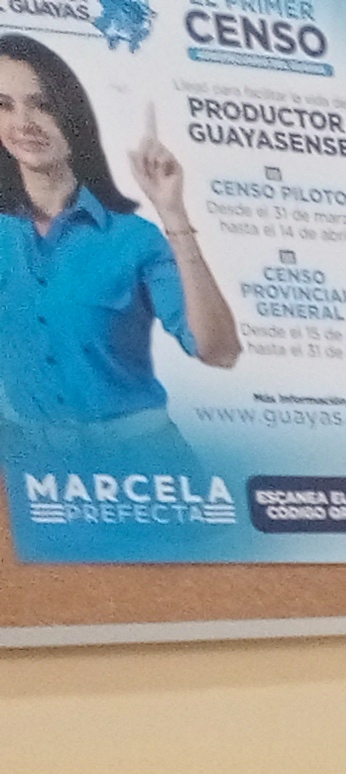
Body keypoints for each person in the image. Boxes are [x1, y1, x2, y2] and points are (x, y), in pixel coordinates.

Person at [0, 39, 237, 483]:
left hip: (143, 472)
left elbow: (219, 350)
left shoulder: (134, 239)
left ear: (72, 115)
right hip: (32, 476)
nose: (23, 123)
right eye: (4, 105)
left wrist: (172, 213)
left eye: (42, 104)